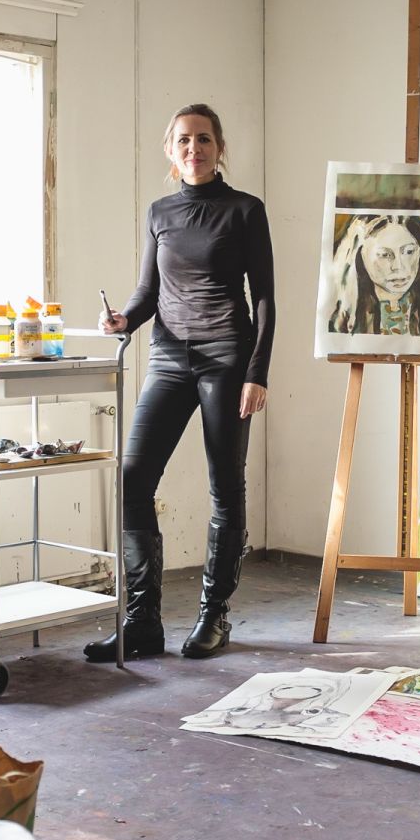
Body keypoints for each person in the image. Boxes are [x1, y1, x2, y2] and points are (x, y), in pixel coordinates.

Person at [84, 104, 274, 662]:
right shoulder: (160, 211)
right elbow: (148, 292)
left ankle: (215, 616)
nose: (195, 148)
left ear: (219, 148)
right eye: (185, 140)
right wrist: (123, 320)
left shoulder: (244, 211)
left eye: (205, 139)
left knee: (224, 486)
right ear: (171, 150)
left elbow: (263, 298)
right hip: (168, 358)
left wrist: (257, 373)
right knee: (133, 479)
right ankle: (142, 622)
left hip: (225, 357)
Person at [328, 214, 420, 337]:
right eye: (385, 255)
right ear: (359, 256)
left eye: (409, 252)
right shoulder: (342, 312)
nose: (398, 266)